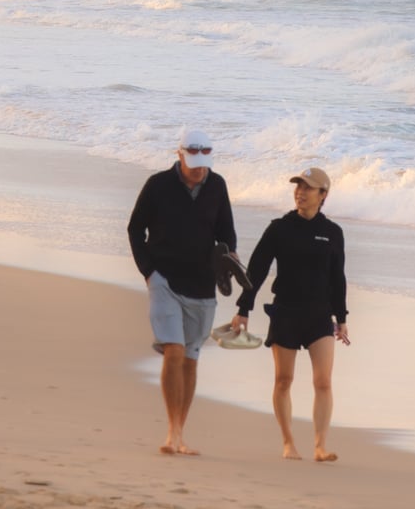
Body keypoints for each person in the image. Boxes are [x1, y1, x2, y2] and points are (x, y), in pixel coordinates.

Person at [127, 126, 236, 457]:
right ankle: (171, 431)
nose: (200, 166)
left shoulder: (216, 186)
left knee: (190, 360)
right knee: (173, 350)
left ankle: (181, 431)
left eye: (204, 159)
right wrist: (149, 272)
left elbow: (227, 234)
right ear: (179, 155)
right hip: (165, 282)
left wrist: (227, 260)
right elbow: (135, 228)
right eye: (193, 159)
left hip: (203, 286)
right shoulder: (158, 185)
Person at [229, 166, 350, 463]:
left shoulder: (332, 233)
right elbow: (255, 271)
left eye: (308, 188)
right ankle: (288, 443)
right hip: (286, 313)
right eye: (298, 186)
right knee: (283, 380)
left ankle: (320, 446)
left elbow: (338, 278)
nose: (300, 192)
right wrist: (243, 309)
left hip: (320, 316)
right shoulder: (279, 228)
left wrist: (342, 318)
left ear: (323, 195)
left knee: (323, 382)